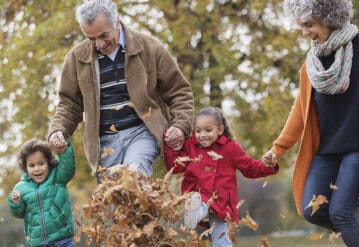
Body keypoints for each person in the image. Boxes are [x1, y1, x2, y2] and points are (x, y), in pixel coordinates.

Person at [261, 0, 359, 246]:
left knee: (340, 213)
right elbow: (299, 112)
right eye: (301, 25)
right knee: (312, 209)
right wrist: (278, 149)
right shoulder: (312, 65)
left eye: (309, 24)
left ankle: (354, 231)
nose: (305, 32)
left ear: (329, 18)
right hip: (327, 152)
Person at [48, 0, 194, 180]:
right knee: (113, 200)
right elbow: (69, 105)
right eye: (91, 38)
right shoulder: (76, 59)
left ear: (117, 22)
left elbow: (179, 92)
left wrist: (180, 126)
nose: (99, 44)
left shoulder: (149, 48)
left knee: (133, 177)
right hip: (105, 142)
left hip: (142, 132)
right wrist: (58, 130)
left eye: (103, 35)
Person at [164, 106, 279, 247]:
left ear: (220, 129)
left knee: (222, 240)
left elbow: (250, 168)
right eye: (198, 131)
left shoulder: (230, 148)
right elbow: (176, 167)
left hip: (222, 202)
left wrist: (267, 165)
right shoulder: (191, 146)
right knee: (197, 204)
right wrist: (170, 148)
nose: (202, 135)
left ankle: (194, 215)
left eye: (208, 130)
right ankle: (192, 211)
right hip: (198, 194)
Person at [8, 138, 76, 247]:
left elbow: (68, 167)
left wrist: (64, 147)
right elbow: (19, 213)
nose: (37, 169)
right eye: (32, 165)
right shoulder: (21, 188)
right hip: (37, 243)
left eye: (41, 163)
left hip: (63, 240)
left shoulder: (57, 177)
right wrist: (15, 203)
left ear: (48, 163)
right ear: (25, 167)